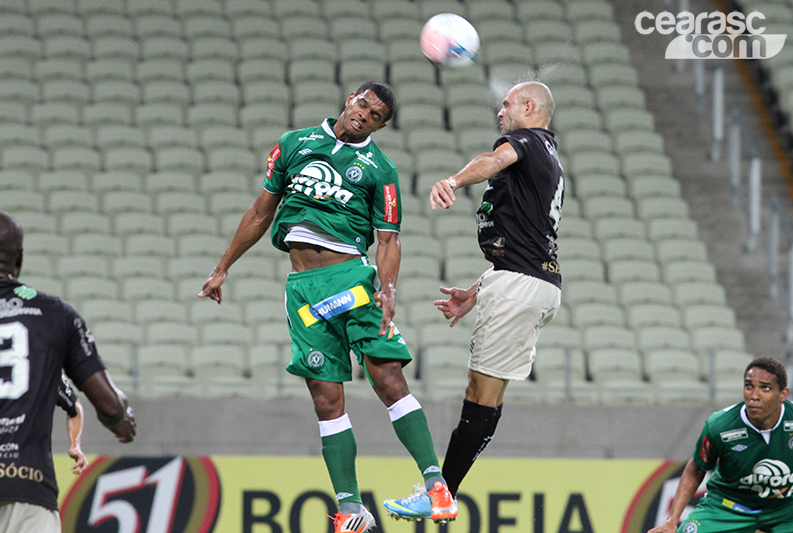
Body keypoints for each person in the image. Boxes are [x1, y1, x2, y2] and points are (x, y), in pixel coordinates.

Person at [199, 81, 457, 533]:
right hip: (302, 288)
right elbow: (261, 212)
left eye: (376, 115)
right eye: (363, 104)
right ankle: (350, 509)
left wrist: (388, 290)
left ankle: (436, 486)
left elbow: (389, 240)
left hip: (352, 281)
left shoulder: (381, 170)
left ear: (380, 126)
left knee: (387, 378)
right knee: (325, 397)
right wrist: (222, 268)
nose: (365, 115)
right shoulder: (293, 144)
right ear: (349, 99)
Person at [383, 81, 564, 521]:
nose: (500, 112)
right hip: (531, 281)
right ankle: (445, 491)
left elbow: (494, 158)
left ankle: (443, 492)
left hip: (520, 287)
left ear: (528, 106)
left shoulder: (527, 142)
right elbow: (521, 243)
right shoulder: (548, 155)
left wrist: (454, 180)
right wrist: (476, 290)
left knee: (480, 397)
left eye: (506, 105)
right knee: (486, 397)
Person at [0, 210, 136, 533]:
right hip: (29, 489)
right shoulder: (55, 314)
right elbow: (108, 404)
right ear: (19, 258)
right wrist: (122, 419)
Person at [648, 357, 793, 533]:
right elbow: (696, 467)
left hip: (786, 509)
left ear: (783, 394)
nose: (754, 395)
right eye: (749, 386)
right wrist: (671, 521)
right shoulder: (721, 425)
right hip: (728, 507)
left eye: (765, 388)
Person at [57, 373, 88, 475]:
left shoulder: (47, 370)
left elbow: (74, 408)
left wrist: (75, 446)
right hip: (34, 462)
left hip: (33, 461)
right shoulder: (46, 367)